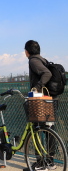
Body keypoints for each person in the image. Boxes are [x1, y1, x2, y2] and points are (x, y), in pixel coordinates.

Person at [23, 40, 57, 171]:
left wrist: (36, 87)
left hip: (40, 101)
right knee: (49, 129)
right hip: (51, 99)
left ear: (27, 51)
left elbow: (46, 74)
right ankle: (50, 162)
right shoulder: (43, 59)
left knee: (36, 128)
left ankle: (40, 163)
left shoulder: (33, 60)